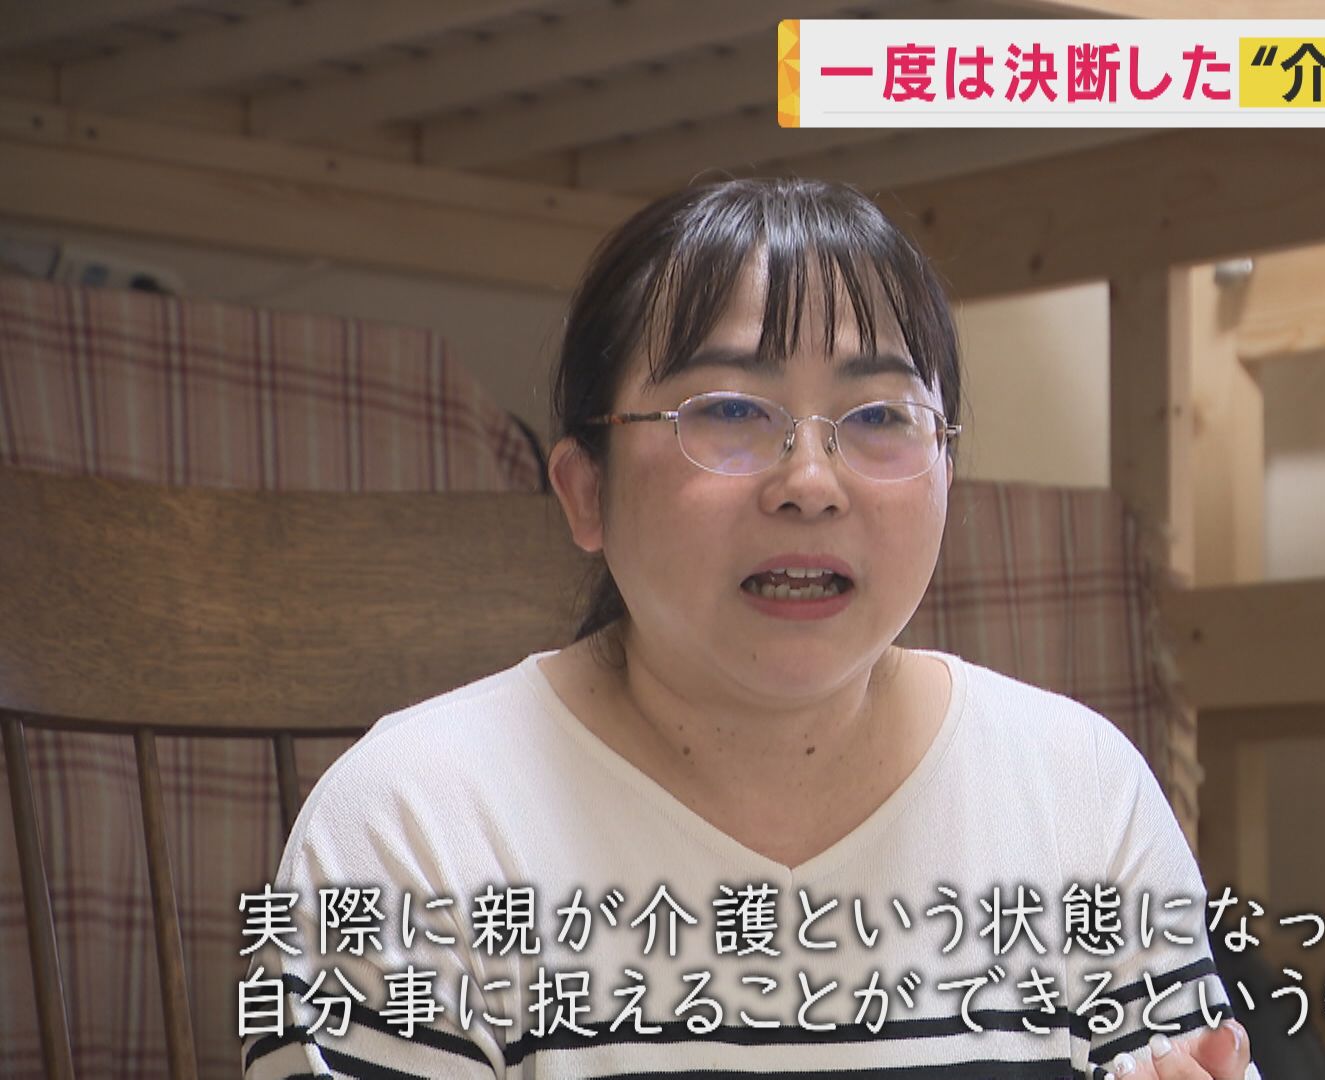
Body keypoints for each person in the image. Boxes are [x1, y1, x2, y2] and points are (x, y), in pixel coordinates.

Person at [241, 177, 1254, 1080]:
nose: (810, 482)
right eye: (728, 411)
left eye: (879, 417)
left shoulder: (1079, 794)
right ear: (585, 491)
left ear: (948, 472)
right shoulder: (417, 824)